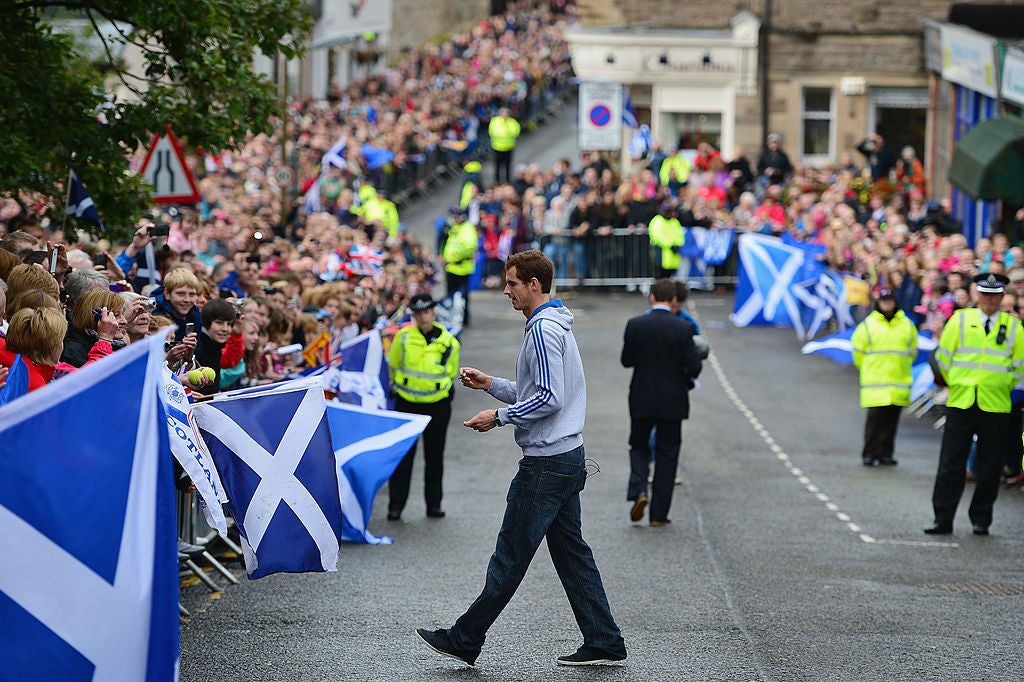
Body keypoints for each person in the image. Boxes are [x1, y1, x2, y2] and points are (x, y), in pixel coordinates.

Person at [416, 250, 626, 668]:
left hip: (547, 463)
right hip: (566, 456)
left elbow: (549, 398)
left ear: (535, 285)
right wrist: (493, 384)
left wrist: (498, 417)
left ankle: (465, 638)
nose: (506, 290)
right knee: (572, 555)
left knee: (511, 555)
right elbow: (540, 391)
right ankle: (603, 639)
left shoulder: (544, 330)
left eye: (512, 283)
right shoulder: (550, 324)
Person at [925, 273, 1024, 536]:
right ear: (977, 295)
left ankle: (981, 518)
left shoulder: (1014, 328)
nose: (990, 300)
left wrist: (999, 385)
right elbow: (944, 358)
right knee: (951, 462)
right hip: (961, 400)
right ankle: (942, 518)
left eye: (995, 295)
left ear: (1002, 297)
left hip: (996, 404)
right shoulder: (960, 320)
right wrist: (957, 382)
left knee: (990, 465)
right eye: (985, 294)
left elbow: (1019, 368)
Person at [620, 279, 702, 526]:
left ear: (653, 297)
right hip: (672, 400)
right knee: (667, 454)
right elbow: (694, 367)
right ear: (673, 299)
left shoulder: (635, 324)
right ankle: (659, 515)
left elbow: (627, 360)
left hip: (641, 396)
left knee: (639, 445)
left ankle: (639, 490)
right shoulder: (683, 328)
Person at [386, 292, 460, 520]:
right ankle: (395, 506)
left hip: (437, 405)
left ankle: (434, 504)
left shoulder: (449, 342)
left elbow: (451, 371)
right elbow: (393, 364)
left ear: (433, 312)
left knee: (434, 456)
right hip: (407, 404)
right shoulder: (404, 337)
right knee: (403, 457)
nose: (423, 317)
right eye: (418, 314)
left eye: (426, 312)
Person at [850, 289, 918, 466]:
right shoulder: (868, 325)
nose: (887, 304)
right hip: (876, 381)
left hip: (898, 381)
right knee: (874, 422)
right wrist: (867, 368)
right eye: (884, 301)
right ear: (878, 303)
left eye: (890, 301)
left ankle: (886, 453)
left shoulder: (906, 324)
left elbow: (912, 351)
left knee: (891, 422)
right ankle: (870, 453)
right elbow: (858, 352)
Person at [441, 205, 477, 327]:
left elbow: (469, 246)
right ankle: (452, 316)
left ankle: (462, 318)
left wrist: (454, 257)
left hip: (461, 268)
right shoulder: (454, 227)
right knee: (451, 295)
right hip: (451, 267)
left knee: (461, 295)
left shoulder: (467, 228)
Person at [487, 107, 521, 185]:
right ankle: (497, 181)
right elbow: (494, 132)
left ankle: (508, 181)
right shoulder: (495, 121)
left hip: (508, 147)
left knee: (507, 166)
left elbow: (516, 131)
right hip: (497, 147)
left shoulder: (512, 122)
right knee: (497, 166)